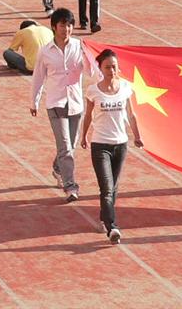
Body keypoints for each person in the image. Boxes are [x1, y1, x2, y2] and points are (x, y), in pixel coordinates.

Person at [30, 7, 96, 202]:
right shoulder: (45, 52)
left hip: (75, 103)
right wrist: (34, 101)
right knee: (66, 146)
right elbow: (38, 78)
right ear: (54, 27)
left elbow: (90, 71)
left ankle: (58, 168)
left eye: (69, 25)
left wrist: (89, 58)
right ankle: (70, 186)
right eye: (62, 25)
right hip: (55, 103)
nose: (66, 29)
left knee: (70, 145)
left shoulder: (79, 46)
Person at [79, 49, 144, 244]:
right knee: (106, 187)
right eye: (107, 67)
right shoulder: (93, 91)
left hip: (120, 144)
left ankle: (104, 217)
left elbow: (131, 114)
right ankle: (112, 227)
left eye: (114, 66)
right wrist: (83, 136)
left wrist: (137, 136)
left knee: (113, 187)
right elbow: (88, 115)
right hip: (100, 145)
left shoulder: (125, 87)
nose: (111, 71)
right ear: (100, 68)